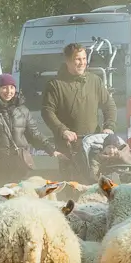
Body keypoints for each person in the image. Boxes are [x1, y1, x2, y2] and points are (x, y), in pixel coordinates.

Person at [41, 42, 113, 180]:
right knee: (72, 185)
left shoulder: (94, 81)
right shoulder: (55, 84)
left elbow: (109, 106)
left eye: (84, 58)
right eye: (78, 59)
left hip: (93, 144)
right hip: (68, 147)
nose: (82, 63)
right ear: (68, 61)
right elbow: (47, 112)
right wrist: (63, 130)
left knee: (94, 184)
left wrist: (109, 126)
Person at [0, 73, 54, 187]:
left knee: (21, 195)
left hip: (20, 165)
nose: (8, 91)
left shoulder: (23, 110)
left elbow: (34, 133)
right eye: (4, 87)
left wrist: (50, 149)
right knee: (0, 195)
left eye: (12, 87)